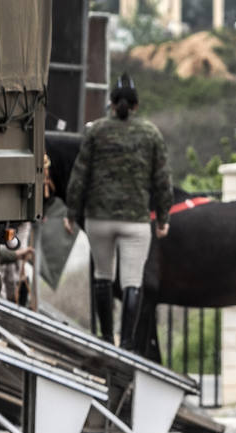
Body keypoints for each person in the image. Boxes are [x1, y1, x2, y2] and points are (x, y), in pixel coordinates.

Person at [64, 73, 173, 351]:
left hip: (98, 220)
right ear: (135, 106)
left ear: (112, 103)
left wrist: (71, 213)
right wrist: (163, 218)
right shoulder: (150, 134)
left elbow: (79, 175)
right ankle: (125, 343)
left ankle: (104, 337)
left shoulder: (96, 131)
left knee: (102, 275)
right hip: (135, 223)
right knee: (132, 281)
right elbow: (162, 181)